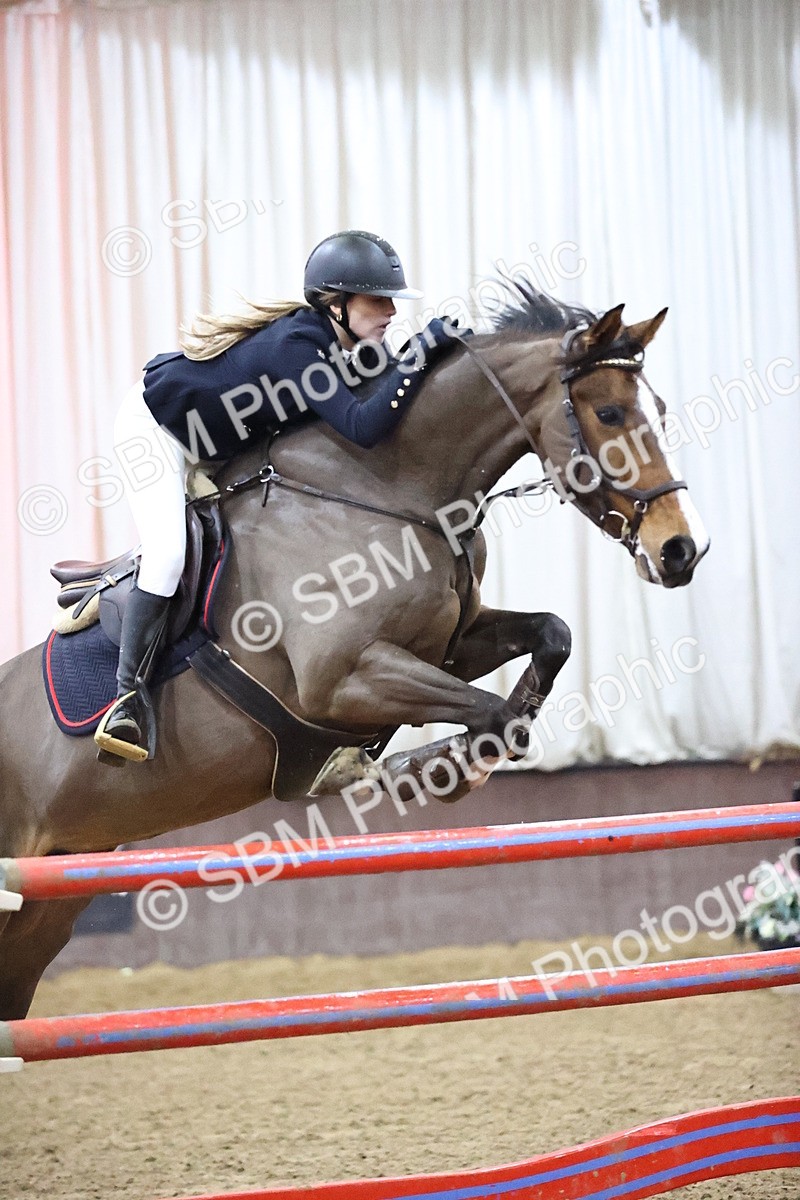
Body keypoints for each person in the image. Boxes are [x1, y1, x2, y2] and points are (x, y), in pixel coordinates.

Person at [95, 229, 463, 762]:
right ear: (336, 304)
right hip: (156, 430)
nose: (389, 312)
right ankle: (126, 699)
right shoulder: (298, 347)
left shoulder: (341, 343)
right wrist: (421, 353)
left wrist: (427, 357)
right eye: (378, 299)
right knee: (168, 554)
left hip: (217, 440)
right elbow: (363, 426)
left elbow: (386, 392)